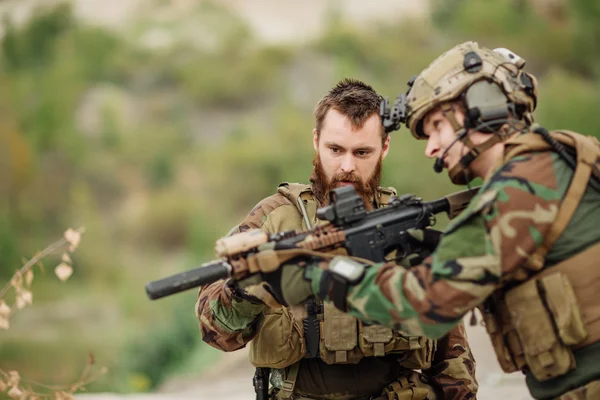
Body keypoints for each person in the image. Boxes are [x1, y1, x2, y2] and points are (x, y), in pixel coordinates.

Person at [262, 42, 600, 400]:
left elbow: (423, 306)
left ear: (481, 110)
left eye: (438, 126)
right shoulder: (567, 156)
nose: (432, 148)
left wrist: (317, 273)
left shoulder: (518, 191)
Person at [196, 78, 478, 400]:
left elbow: (451, 352)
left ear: (384, 148)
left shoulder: (402, 227)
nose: (347, 166)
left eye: (362, 152)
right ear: (316, 141)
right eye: (335, 149)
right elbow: (215, 330)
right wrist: (248, 290)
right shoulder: (274, 220)